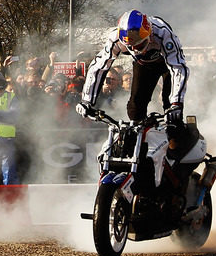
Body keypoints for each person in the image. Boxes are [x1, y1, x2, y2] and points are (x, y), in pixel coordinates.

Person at [78, 10, 190, 151]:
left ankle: (178, 145)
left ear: (149, 33)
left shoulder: (163, 33)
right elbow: (99, 67)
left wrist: (176, 103)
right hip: (144, 65)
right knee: (135, 107)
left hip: (168, 64)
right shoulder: (115, 38)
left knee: (170, 108)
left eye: (139, 45)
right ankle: (139, 148)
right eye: (130, 47)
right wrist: (87, 101)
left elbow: (179, 68)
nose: (136, 50)